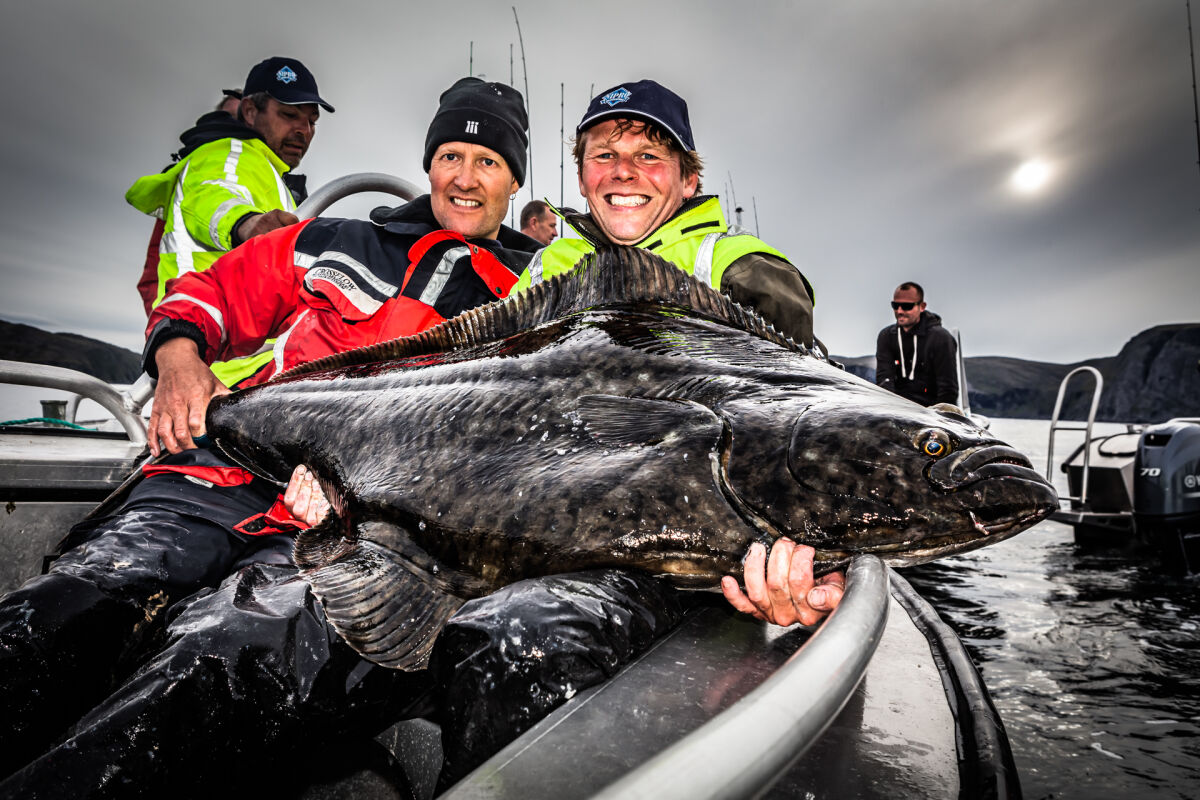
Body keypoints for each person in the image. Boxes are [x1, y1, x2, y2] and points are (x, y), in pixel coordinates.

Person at [0, 76, 538, 795]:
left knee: (227, 652)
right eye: (450, 157)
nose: (465, 178)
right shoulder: (338, 239)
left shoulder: (529, 299)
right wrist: (180, 359)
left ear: (514, 179)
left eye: (488, 162)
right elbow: (211, 292)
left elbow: (506, 447)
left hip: (354, 533)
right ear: (429, 164)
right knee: (85, 595)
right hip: (217, 478)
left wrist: (366, 491)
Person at [514, 78, 816, 350]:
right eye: (605, 155)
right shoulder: (545, 268)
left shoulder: (743, 270)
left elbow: (799, 387)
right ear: (581, 178)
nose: (623, 171)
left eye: (648, 155)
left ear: (688, 180)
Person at [126, 56, 333, 385]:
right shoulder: (228, 154)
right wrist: (246, 223)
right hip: (229, 365)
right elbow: (213, 194)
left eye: (312, 121)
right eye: (289, 115)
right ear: (250, 112)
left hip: (261, 360)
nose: (303, 130)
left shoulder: (268, 171)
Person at [874, 281, 959, 406]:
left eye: (906, 306)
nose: (899, 311)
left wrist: (939, 415)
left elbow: (947, 389)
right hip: (896, 409)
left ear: (922, 306)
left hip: (931, 410)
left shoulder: (941, 338)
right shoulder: (886, 336)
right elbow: (884, 380)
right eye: (895, 305)